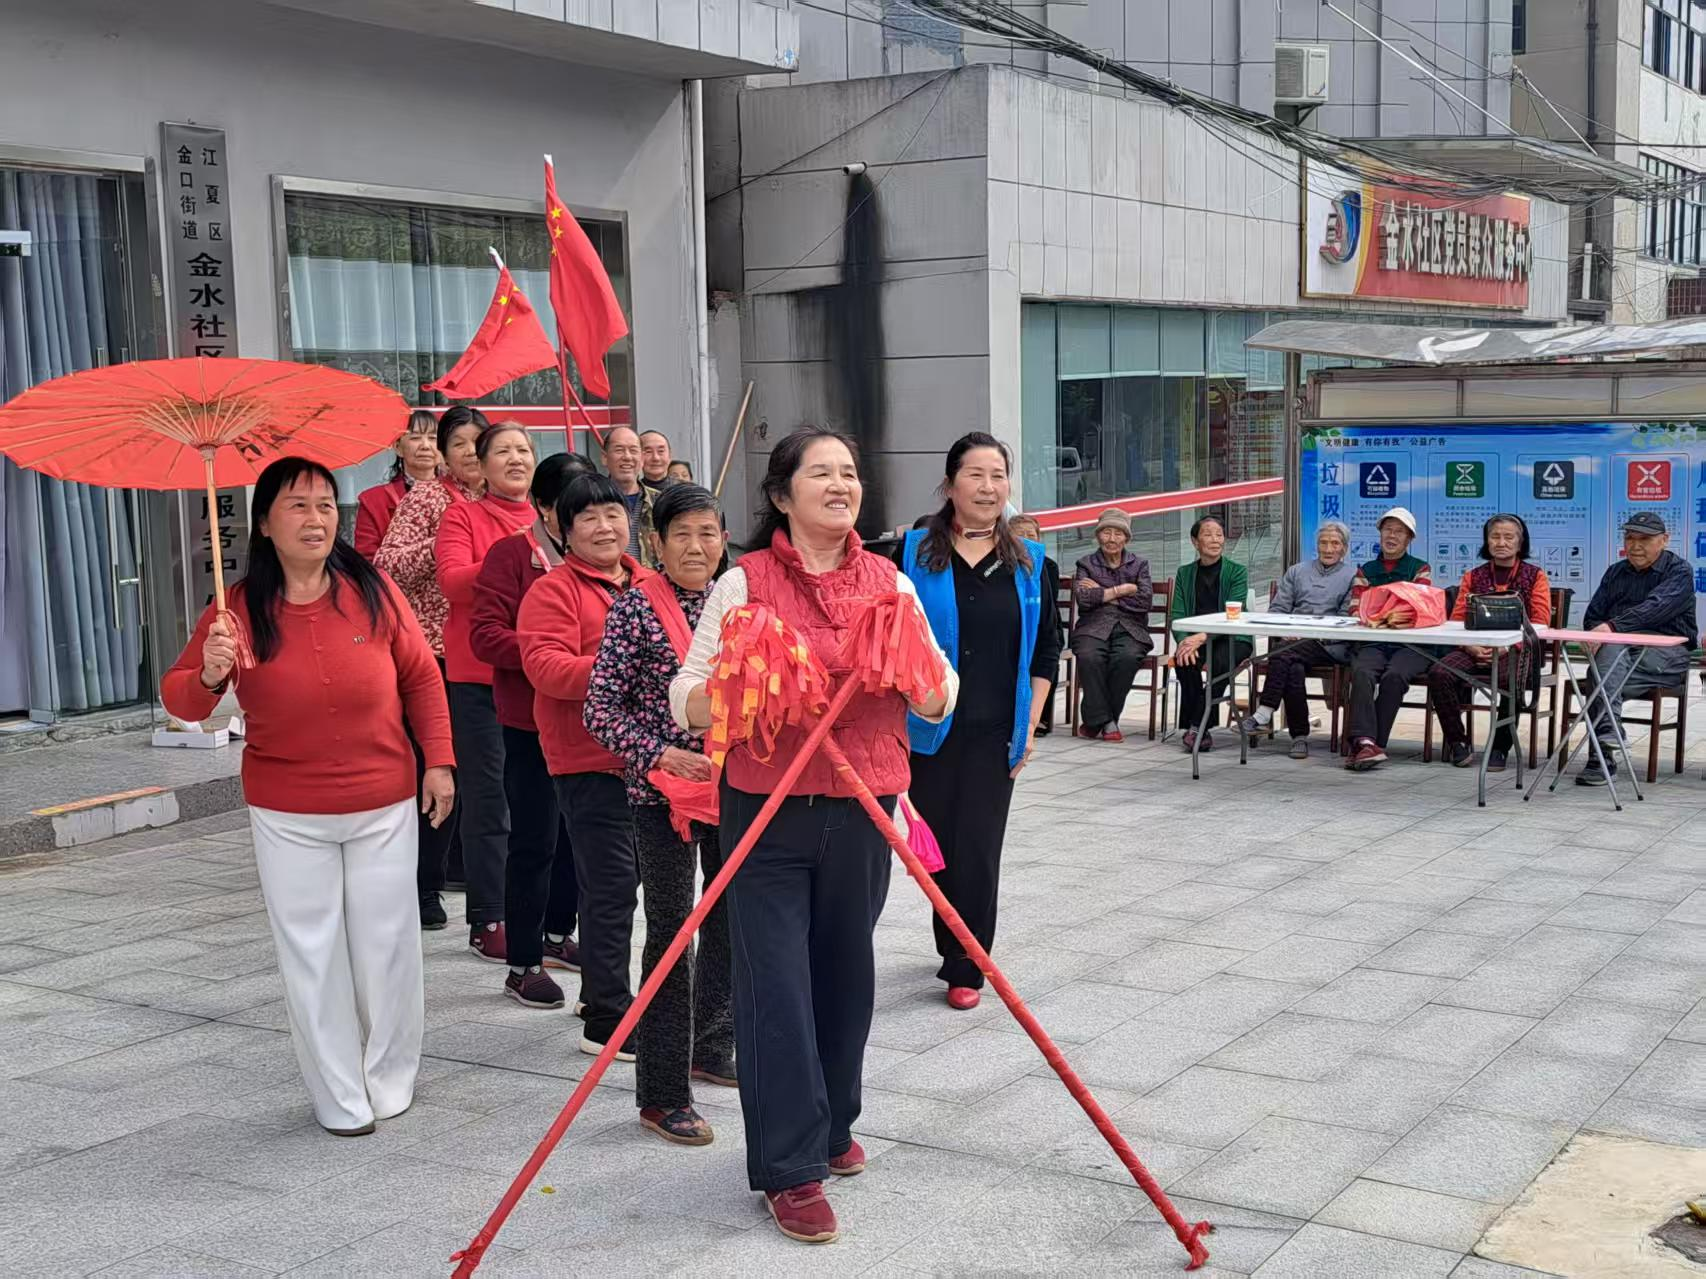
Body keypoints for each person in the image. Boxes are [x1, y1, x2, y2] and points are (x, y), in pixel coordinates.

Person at [669, 428, 957, 1245]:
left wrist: (919, 678)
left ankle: (833, 1125)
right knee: (776, 988)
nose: (840, 484)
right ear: (781, 495)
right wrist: (737, 684)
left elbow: (940, 695)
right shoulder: (744, 583)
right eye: (821, 473)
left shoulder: (890, 583)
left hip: (864, 803)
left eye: (850, 473)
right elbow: (683, 694)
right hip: (766, 811)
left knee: (844, 974)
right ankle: (790, 1167)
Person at [162, 458, 455, 1137]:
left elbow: (421, 679)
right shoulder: (234, 607)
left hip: (383, 799)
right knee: (311, 952)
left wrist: (438, 760)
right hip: (288, 810)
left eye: (326, 503)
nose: (317, 518)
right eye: (297, 506)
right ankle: (338, 1095)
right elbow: (180, 697)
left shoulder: (373, 588)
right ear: (265, 523)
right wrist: (208, 672)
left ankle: (388, 1077)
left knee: (388, 944)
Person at [585, 482, 735, 1145]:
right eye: (683, 534)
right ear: (657, 542)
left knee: (733, 916)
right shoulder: (634, 610)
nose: (697, 546)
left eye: (708, 533)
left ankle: (713, 1043)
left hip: (737, 790)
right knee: (673, 930)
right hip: (661, 798)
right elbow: (599, 709)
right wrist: (659, 753)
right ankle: (661, 1091)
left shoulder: (741, 604)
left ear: (724, 539)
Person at [899, 434, 1059, 1012]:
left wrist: (1031, 727)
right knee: (935, 851)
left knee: (980, 850)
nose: (988, 487)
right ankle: (951, 942)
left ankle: (968, 964)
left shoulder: (1031, 563)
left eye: (998, 475)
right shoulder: (912, 554)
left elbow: (1045, 653)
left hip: (998, 732)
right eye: (975, 474)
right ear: (949, 485)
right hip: (927, 729)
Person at [519, 475, 651, 1058]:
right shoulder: (553, 592)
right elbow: (546, 668)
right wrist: (621, 663)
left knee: (633, 883)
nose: (604, 527)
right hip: (588, 759)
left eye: (612, 514)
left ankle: (605, 989)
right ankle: (606, 1017)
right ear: (562, 530)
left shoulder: (651, 584)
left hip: (651, 759)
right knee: (613, 885)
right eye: (588, 518)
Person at [470, 452, 598, 1007]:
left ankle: (556, 934)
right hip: (527, 721)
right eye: (573, 510)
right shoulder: (510, 556)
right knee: (535, 839)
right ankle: (522, 961)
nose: (588, 523)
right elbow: (484, 637)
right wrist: (546, 648)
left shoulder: (607, 562)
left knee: (579, 842)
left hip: (593, 725)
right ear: (545, 509)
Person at [375, 404, 489, 925]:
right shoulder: (427, 498)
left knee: (476, 774)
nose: (471, 452)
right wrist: (445, 535)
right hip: (433, 654)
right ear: (442, 453)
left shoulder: (500, 504)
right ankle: (423, 887)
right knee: (435, 770)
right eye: (460, 443)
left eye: (478, 442)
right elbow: (386, 567)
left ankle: (462, 870)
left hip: (485, 654)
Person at [435, 423, 538, 962]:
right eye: (503, 451)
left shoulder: (550, 520)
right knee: (491, 800)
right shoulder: (464, 516)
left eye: (523, 450)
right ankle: (488, 915)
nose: (516, 459)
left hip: (542, 675)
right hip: (479, 677)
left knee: (541, 804)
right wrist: (515, 554)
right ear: (478, 465)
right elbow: (452, 582)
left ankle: (538, 913)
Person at [1576, 512, 1697, 787]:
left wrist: (1611, 629)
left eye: (1644, 539)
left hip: (1665, 658)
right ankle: (1608, 736)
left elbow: (1654, 609)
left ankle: (1601, 757)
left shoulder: (1679, 572)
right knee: (1608, 657)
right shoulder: (1616, 571)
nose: (1635, 545)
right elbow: (1593, 617)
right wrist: (1603, 633)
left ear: (1664, 540)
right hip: (1620, 659)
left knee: (1604, 664)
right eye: (1630, 538)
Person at [1430, 514, 1552, 773]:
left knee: (1511, 679)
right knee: (1440, 672)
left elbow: (1540, 623)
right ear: (1486, 541)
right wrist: (1471, 646)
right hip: (1474, 648)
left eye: (1509, 537)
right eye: (1495, 536)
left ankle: (1500, 747)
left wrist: (1507, 646)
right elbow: (1457, 620)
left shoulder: (1535, 576)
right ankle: (1457, 742)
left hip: (1516, 650)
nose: (1501, 542)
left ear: (1520, 543)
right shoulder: (1472, 576)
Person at [1237, 521, 1355, 759]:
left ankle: (1264, 711)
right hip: (1294, 643)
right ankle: (1299, 738)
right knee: (1293, 667)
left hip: (1330, 644)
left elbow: (1346, 619)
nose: (1328, 548)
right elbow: (1277, 609)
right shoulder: (1297, 571)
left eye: (1335, 543)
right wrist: (1286, 630)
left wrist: (1311, 634)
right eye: (1323, 542)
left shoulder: (1353, 575)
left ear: (1344, 548)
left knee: (1284, 653)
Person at [1344, 506, 1433, 772]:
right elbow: (1356, 608)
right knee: (1361, 672)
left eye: (1399, 532)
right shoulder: (1366, 569)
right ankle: (1367, 742)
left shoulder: (1420, 569)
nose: (1391, 536)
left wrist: (1380, 610)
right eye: (1387, 530)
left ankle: (1368, 744)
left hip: (1410, 645)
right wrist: (1388, 612)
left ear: (1409, 539)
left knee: (1395, 676)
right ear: (1380, 534)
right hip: (1374, 640)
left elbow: (1417, 608)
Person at [1170, 515, 1251, 753]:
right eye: (1208, 534)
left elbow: (1233, 613)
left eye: (1219, 534)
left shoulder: (1237, 571)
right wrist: (1185, 640)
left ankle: (1196, 726)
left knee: (1220, 661)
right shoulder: (1185, 573)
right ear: (1195, 542)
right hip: (1195, 639)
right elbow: (1178, 613)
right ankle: (1201, 730)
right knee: (1185, 660)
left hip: (1233, 637)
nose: (1215, 540)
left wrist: (1202, 636)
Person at [1070, 509, 1153, 741]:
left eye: (1118, 533)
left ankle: (1094, 721)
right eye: (1106, 532)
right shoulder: (1086, 563)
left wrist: (1104, 593)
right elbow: (1084, 600)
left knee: (1126, 658)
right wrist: (1123, 590)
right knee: (1088, 655)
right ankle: (1107, 722)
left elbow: (1145, 601)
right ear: (1098, 536)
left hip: (1131, 628)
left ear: (1126, 538)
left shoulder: (1139, 564)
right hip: (1093, 626)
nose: (1112, 539)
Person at [354, 410, 439, 558]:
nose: (425, 445)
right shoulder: (374, 501)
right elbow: (366, 561)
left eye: (433, 438)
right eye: (415, 437)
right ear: (398, 447)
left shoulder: (457, 496)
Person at [1008, 514, 1062, 736]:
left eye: (1032, 535)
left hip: (1043, 621)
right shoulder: (1006, 564)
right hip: (1017, 622)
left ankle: (1039, 717)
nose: (1027, 539)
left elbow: (1050, 599)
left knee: (1048, 649)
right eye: (1021, 535)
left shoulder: (1047, 565)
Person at [600, 425, 660, 568]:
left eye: (633, 450)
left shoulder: (661, 502)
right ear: (604, 457)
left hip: (653, 585)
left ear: (642, 459)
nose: (627, 457)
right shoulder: (591, 502)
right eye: (619, 450)